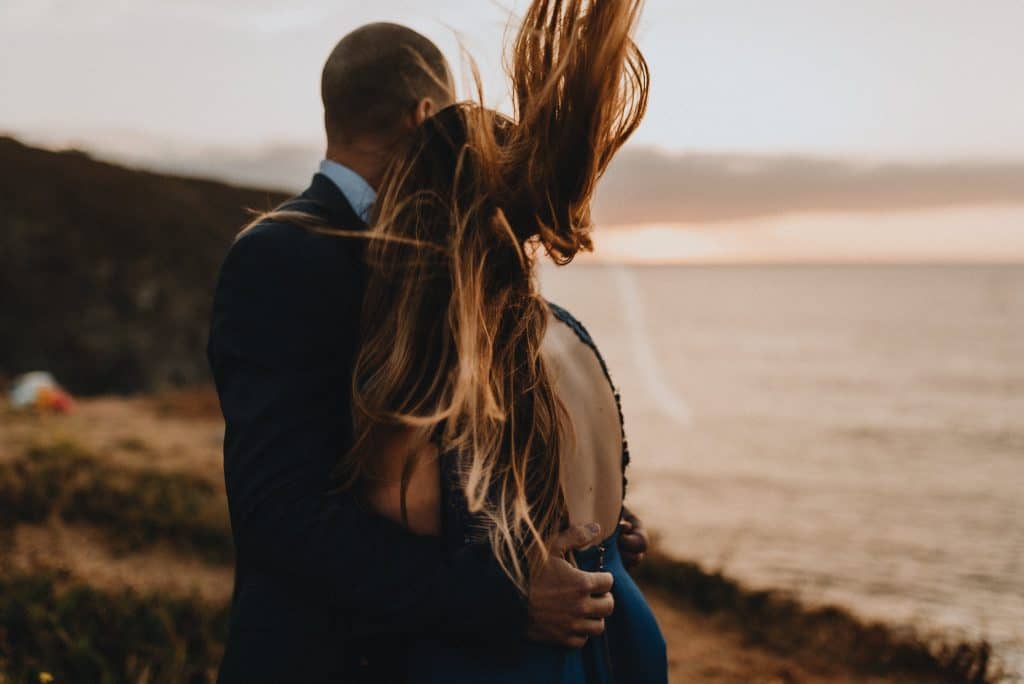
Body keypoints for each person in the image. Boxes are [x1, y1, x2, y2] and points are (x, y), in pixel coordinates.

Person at [207, 19, 651, 683]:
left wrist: (586, 525)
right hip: (328, 659)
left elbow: (480, 450)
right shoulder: (281, 255)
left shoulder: (465, 271)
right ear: (424, 116)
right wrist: (504, 596)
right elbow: (278, 510)